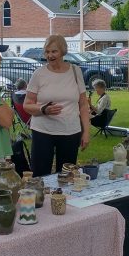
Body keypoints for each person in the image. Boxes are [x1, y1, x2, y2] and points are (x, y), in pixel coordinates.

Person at [23, 34, 90, 176]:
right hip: (43, 132)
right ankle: (41, 198)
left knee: (66, 176)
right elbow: (27, 105)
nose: (50, 55)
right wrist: (43, 109)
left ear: (63, 51)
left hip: (70, 131)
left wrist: (86, 132)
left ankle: (62, 199)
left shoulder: (75, 71)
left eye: (54, 51)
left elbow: (83, 104)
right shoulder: (39, 74)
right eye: (47, 52)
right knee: (40, 175)